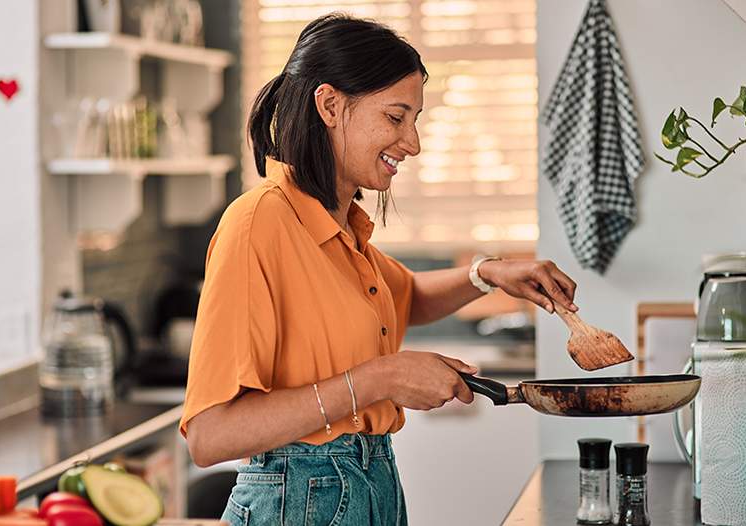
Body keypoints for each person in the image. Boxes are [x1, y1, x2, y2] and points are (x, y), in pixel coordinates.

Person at [180, 13, 578, 526]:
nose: (412, 143)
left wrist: (489, 273)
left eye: (414, 120)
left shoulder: (340, 227)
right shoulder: (260, 223)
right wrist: (382, 377)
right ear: (329, 105)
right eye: (396, 117)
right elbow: (212, 435)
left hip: (372, 486)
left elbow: (406, 293)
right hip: (298, 498)